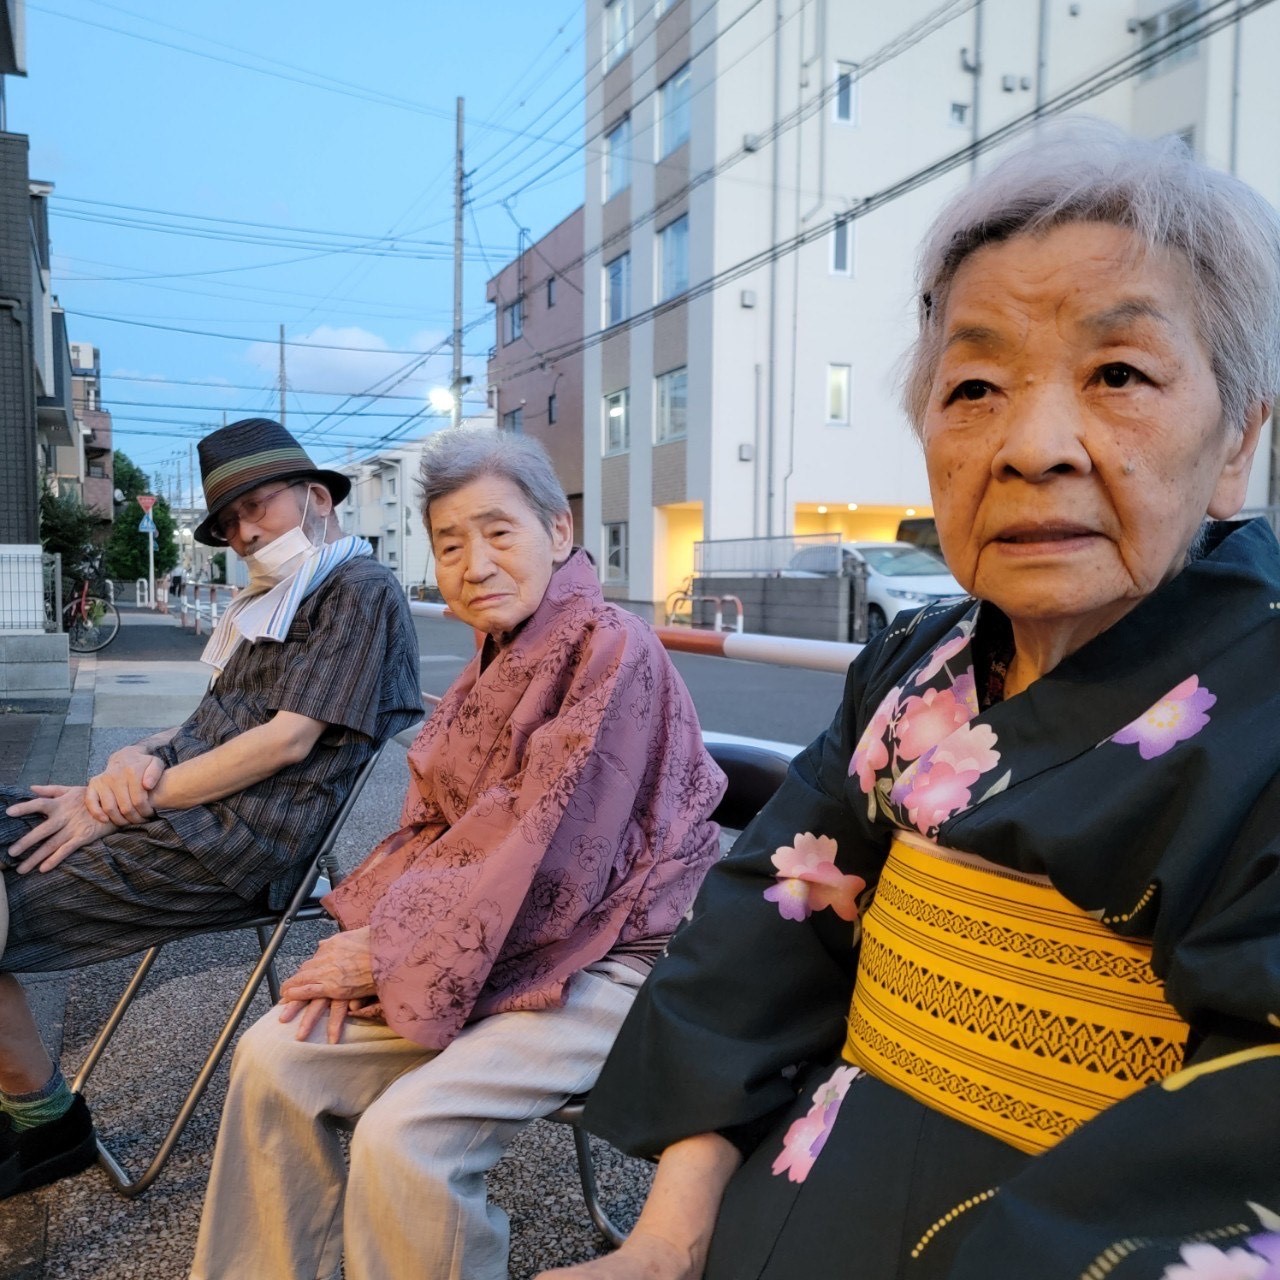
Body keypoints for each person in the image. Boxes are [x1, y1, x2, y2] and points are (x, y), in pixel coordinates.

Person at [539, 122, 1280, 1280]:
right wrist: (667, 1236)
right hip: (783, 1212)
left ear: (1236, 438)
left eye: (1118, 374)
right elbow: (759, 937)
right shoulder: (911, 665)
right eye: (973, 385)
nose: (1032, 446)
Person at [190, 426, 727, 1280]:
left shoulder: (613, 649)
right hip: (485, 946)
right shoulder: (494, 661)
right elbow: (439, 832)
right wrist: (370, 938)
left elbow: (550, 855)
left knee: (408, 1138)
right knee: (275, 1055)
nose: (474, 562)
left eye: (498, 532)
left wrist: (386, 947)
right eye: (450, 543)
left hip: (610, 960)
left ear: (558, 534)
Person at [0, 418, 422, 1201]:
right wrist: (135, 759)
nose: (243, 531)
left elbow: (284, 744)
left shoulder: (358, 589)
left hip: (238, 846)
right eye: (229, 522)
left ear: (317, 496)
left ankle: (43, 1122)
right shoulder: (271, 595)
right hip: (184, 816)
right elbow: (205, 729)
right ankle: (34, 1113)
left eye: (257, 505)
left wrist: (116, 805)